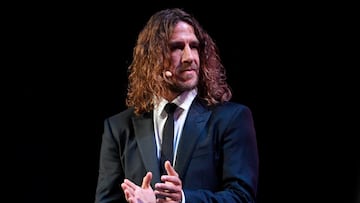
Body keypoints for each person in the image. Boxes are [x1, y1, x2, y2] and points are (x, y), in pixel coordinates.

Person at [95, 8, 259, 203]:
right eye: (177, 47)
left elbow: (242, 197)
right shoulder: (119, 128)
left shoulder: (232, 119)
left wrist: (183, 199)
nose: (190, 57)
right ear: (153, 58)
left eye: (195, 46)